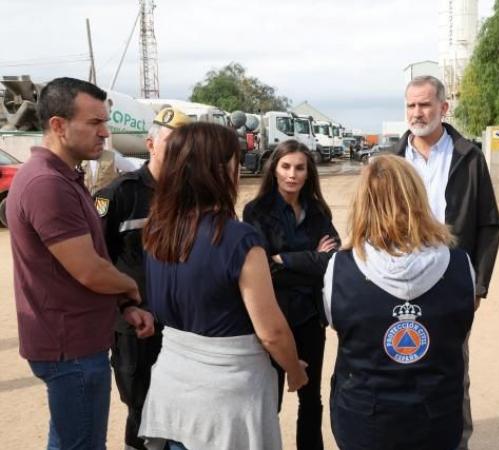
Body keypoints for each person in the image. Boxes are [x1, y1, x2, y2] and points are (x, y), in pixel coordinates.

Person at [5, 77, 154, 450]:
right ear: (58, 125)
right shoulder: (46, 184)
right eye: (94, 123)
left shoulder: (62, 177)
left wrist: (123, 305)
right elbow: (89, 269)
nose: (105, 132)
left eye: (105, 122)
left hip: (76, 342)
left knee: (68, 440)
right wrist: (131, 288)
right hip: (69, 348)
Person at [139, 122, 308, 450]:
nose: (240, 168)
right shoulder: (238, 239)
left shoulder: (157, 230)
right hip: (224, 403)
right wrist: (294, 370)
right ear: (218, 170)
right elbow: (271, 331)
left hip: (172, 390)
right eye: (235, 161)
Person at [323, 154, 475, 450]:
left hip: (365, 421)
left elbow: (336, 321)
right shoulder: (460, 264)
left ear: (362, 202)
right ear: (418, 197)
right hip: (437, 420)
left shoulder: (340, 268)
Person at [391, 75, 499, 449]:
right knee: (398, 368)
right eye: (411, 105)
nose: (417, 113)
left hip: (451, 288)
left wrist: (478, 286)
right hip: (396, 286)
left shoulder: (468, 157)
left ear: (443, 107)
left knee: (452, 372)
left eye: (424, 104)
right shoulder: (391, 160)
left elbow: (488, 224)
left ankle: (456, 442)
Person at [95, 107, 191, 450]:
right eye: (170, 143)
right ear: (150, 143)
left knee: (182, 411)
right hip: (137, 325)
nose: (179, 152)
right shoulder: (119, 194)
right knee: (142, 411)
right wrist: (121, 310)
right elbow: (96, 260)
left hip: (183, 325)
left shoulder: (192, 196)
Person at [243, 139, 339, 450]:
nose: (292, 174)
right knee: (269, 401)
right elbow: (262, 269)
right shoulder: (256, 211)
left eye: (299, 168)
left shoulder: (318, 210)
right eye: (286, 167)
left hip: (311, 317)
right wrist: (310, 257)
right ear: (274, 170)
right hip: (273, 317)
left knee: (311, 399)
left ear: (309, 172)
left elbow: (332, 261)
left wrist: (285, 258)